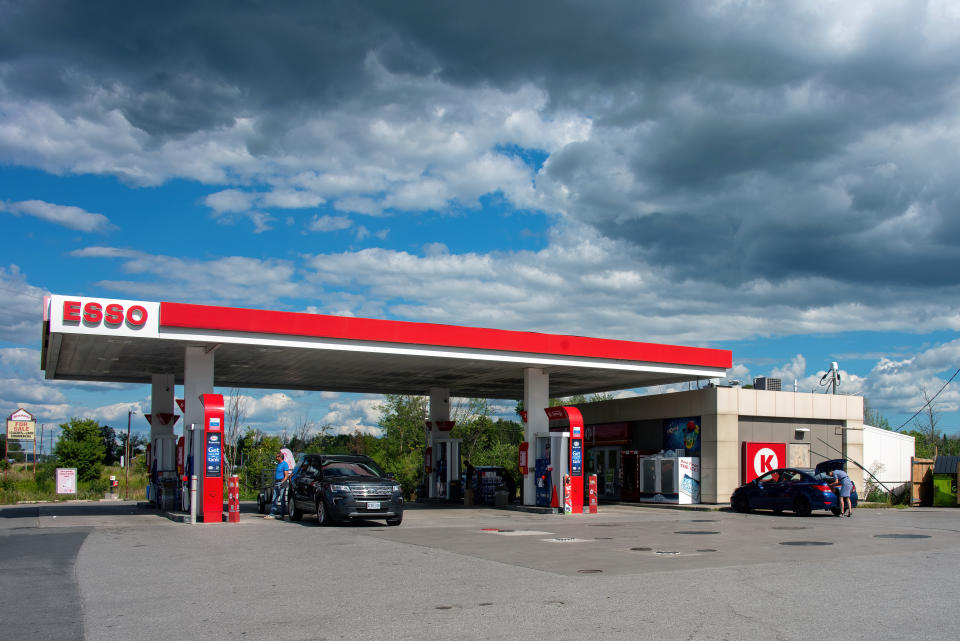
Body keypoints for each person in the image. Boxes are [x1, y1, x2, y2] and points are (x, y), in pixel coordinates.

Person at [265, 450, 291, 519]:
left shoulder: (284, 464)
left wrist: (283, 482)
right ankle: (272, 513)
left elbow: (286, 475)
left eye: (277, 456)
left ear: (281, 457)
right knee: (274, 498)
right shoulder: (278, 464)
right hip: (276, 482)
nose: (276, 458)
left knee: (282, 499)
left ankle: (282, 514)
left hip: (281, 483)